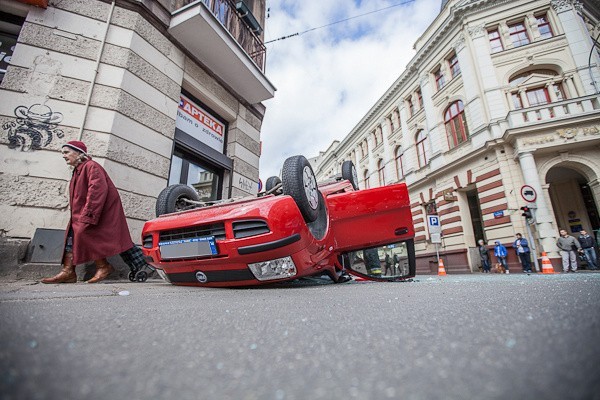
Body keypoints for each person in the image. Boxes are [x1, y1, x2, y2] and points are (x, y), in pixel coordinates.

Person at [42, 141, 150, 284]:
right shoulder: (79, 170)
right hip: (80, 215)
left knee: (88, 235)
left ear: (78, 153)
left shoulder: (91, 166)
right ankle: (68, 271)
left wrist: (88, 214)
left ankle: (103, 266)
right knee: (72, 238)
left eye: (66, 152)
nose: (63, 156)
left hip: (98, 213)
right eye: (63, 153)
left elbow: (97, 191)